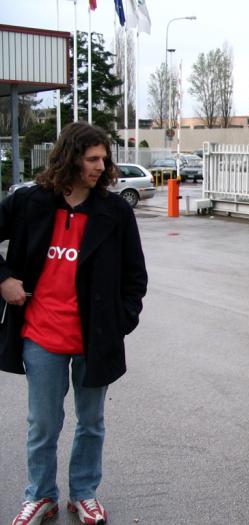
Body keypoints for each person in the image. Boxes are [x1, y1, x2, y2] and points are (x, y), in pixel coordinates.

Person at [0, 122, 148, 525]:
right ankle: (41, 495)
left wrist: (120, 321)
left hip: (94, 338)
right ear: (71, 158)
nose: (101, 166)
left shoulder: (114, 212)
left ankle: (83, 494)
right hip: (41, 335)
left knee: (91, 422)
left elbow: (135, 277)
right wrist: (4, 279)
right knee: (43, 424)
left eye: (104, 158)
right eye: (92, 159)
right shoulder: (31, 203)